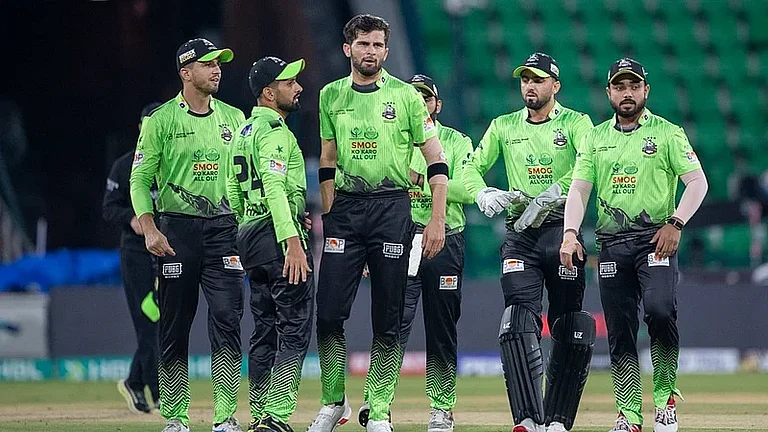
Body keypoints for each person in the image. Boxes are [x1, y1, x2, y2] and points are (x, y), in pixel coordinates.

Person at [308, 14, 450, 432]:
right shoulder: (331, 95)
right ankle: (334, 403)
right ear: (346, 49)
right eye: (363, 44)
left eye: (378, 45)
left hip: (392, 210)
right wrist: (332, 218)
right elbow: (329, 160)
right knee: (329, 313)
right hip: (346, 214)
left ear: (386, 50)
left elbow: (436, 160)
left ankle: (380, 410)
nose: (371, 51)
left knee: (388, 317)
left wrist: (437, 219)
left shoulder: (406, 97)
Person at [559, 58, 709, 432]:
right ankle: (628, 415)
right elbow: (578, 190)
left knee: (660, 311)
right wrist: (570, 232)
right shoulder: (594, 137)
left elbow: (697, 183)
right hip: (610, 245)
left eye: (634, 86)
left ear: (646, 91)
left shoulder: (668, 133)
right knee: (620, 327)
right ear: (609, 92)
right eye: (619, 87)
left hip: (655, 240)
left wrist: (676, 222)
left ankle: (665, 403)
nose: (627, 93)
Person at [462, 52, 596, 432]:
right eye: (525, 80)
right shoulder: (503, 126)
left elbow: (590, 164)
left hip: (561, 233)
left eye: (538, 80)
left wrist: (556, 192)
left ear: (555, 85)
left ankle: (558, 420)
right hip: (520, 233)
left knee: (568, 324)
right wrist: (482, 192)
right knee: (518, 320)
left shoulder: (576, 123)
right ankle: (527, 418)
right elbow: (471, 166)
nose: (530, 86)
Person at [130, 38, 246, 432]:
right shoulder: (161, 121)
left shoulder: (234, 118)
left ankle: (225, 417)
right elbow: (140, 179)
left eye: (219, 64)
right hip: (176, 232)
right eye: (208, 64)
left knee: (228, 317)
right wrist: (149, 229)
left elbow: (249, 178)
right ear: (186, 72)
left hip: (224, 232)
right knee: (174, 325)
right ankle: (176, 418)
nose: (217, 70)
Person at [357, 74, 474, 432]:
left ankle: (441, 409)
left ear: (437, 104)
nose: (421, 103)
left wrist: (420, 178)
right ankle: (378, 406)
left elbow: (468, 190)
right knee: (391, 325)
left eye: (427, 98)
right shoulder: (388, 137)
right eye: (414, 97)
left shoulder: (455, 140)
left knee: (442, 329)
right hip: (398, 239)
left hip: (444, 238)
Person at [230, 56, 312, 432]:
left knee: (263, 327)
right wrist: (291, 238)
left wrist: (286, 213)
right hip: (277, 238)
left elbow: (232, 192)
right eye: (289, 82)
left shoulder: (242, 133)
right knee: (294, 327)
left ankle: (261, 412)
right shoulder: (276, 133)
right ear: (268, 92)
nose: (297, 88)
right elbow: (275, 186)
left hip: (249, 235)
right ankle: (277, 416)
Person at [103, 101, 161, 414]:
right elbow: (108, 208)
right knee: (149, 322)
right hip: (137, 255)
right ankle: (156, 390)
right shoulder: (124, 166)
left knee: (161, 322)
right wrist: (131, 218)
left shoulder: (170, 163)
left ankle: (135, 382)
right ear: (140, 128)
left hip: (165, 253)